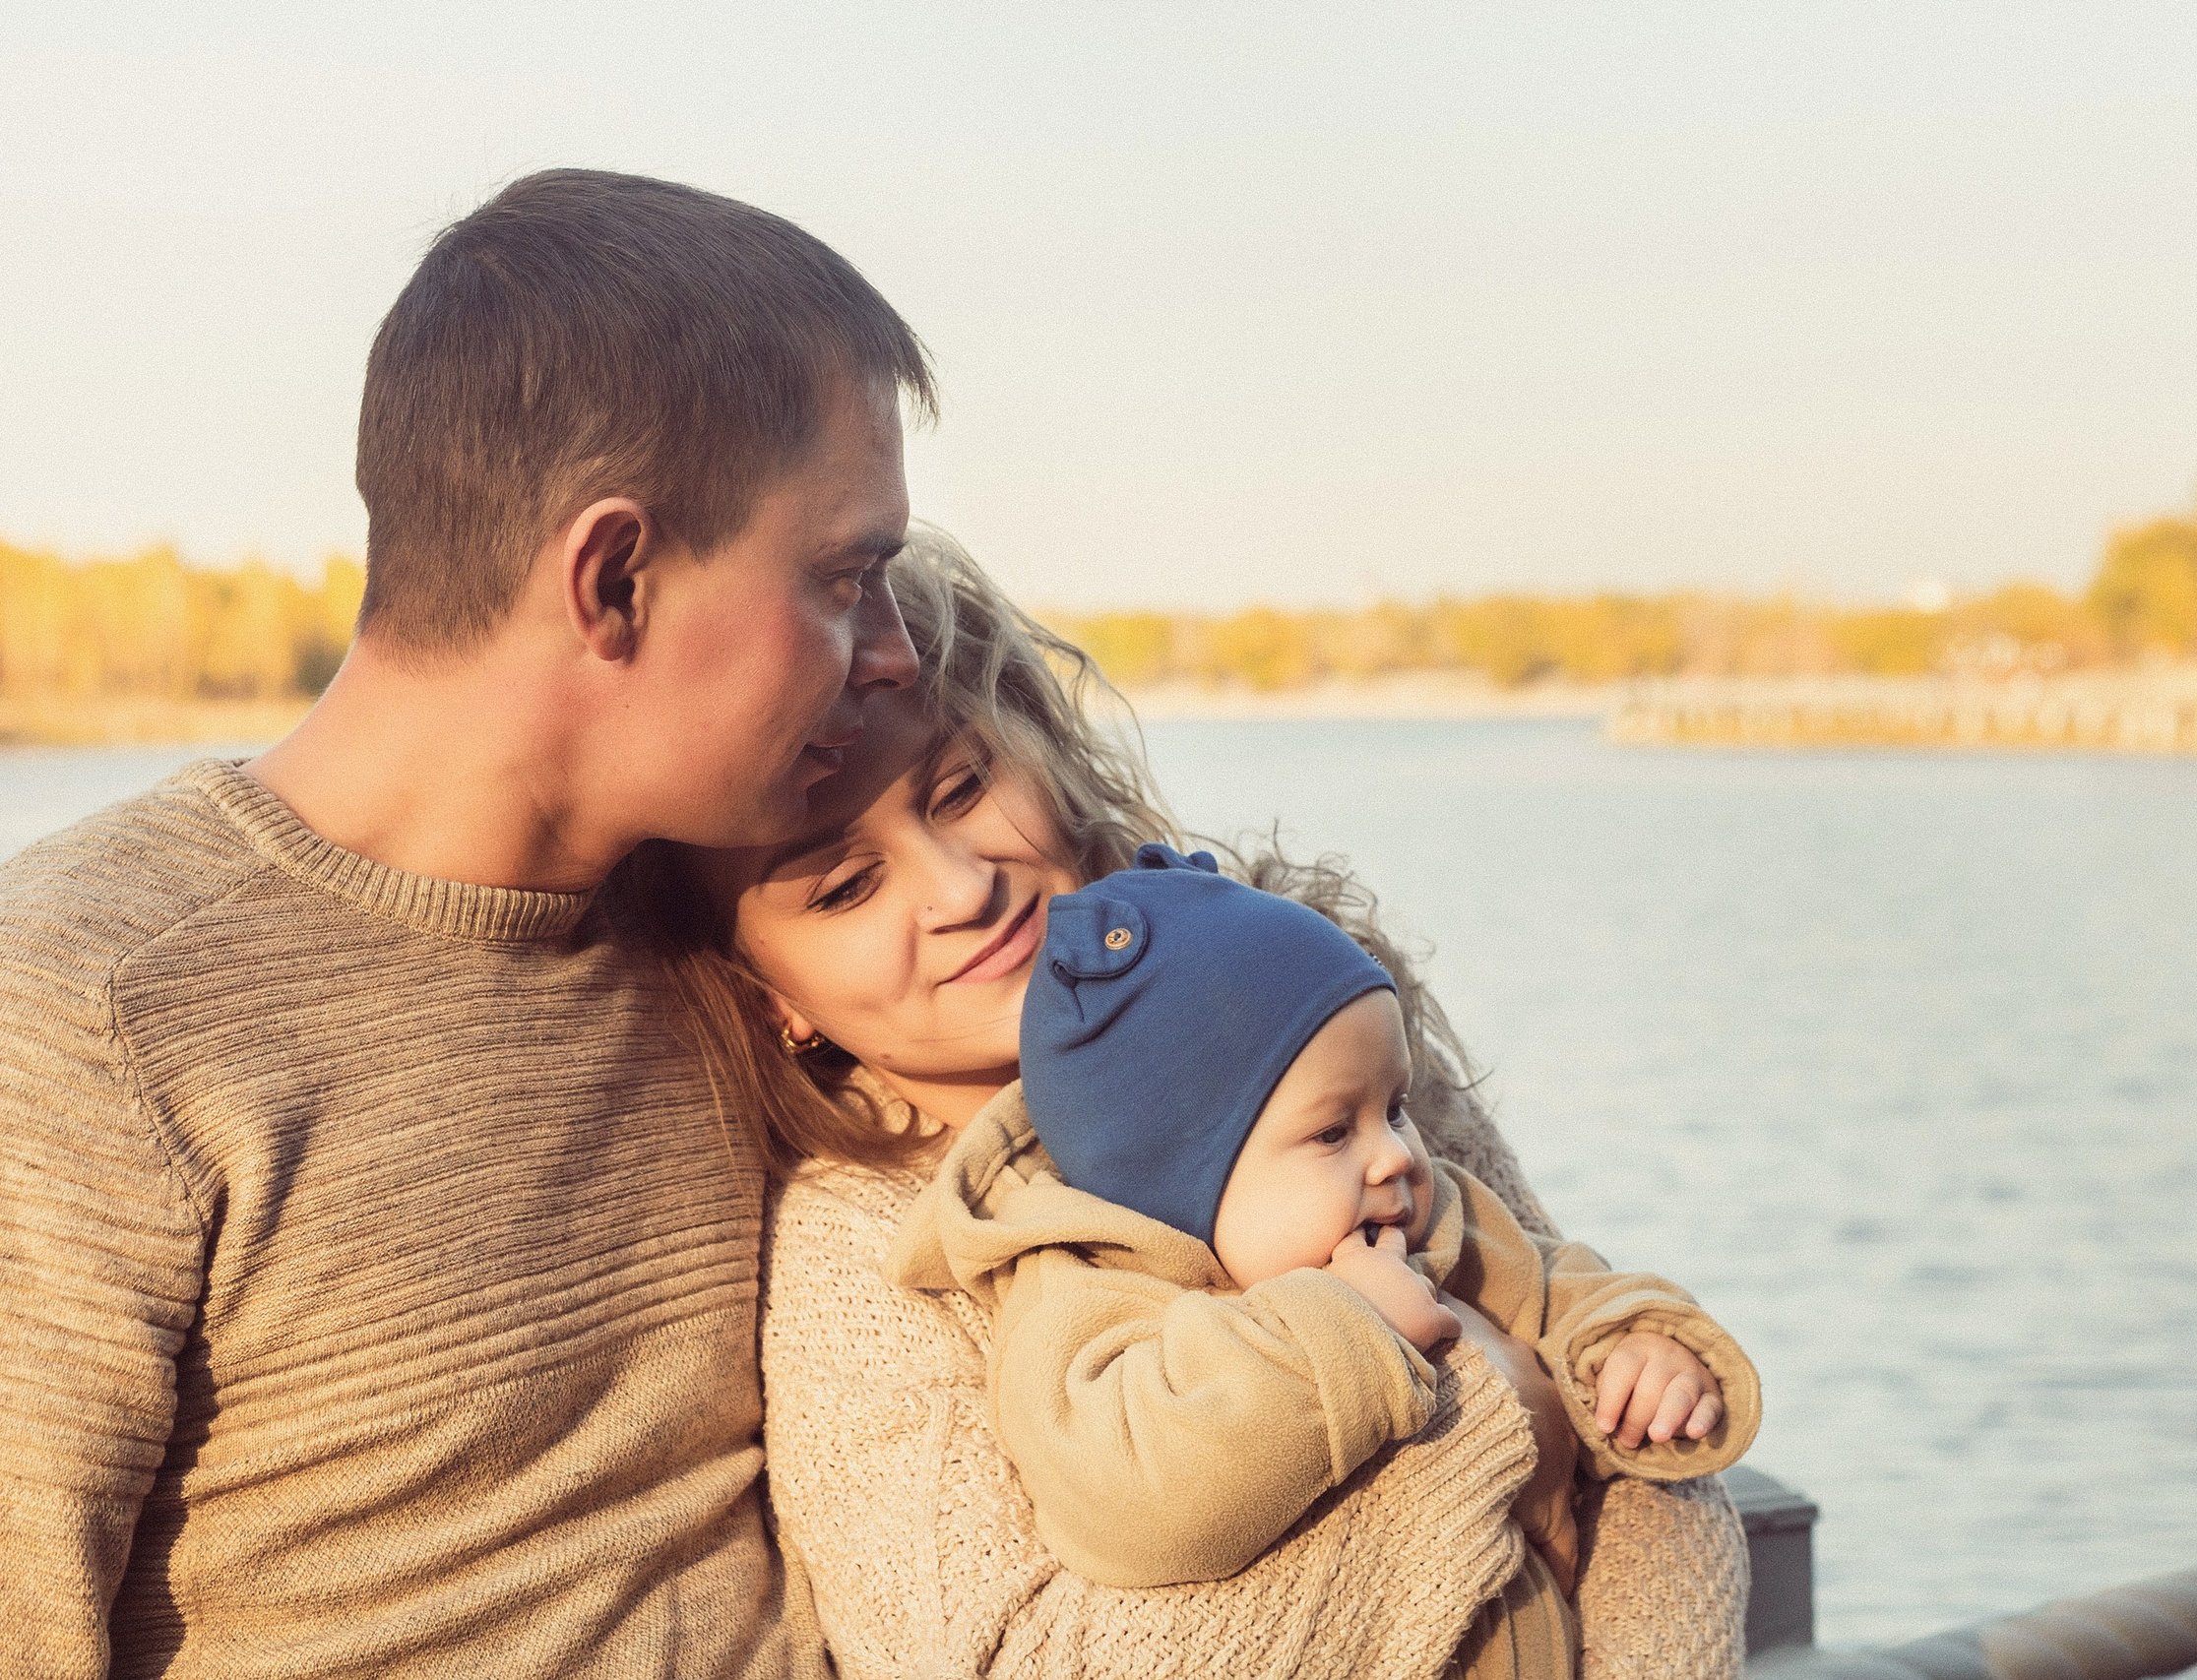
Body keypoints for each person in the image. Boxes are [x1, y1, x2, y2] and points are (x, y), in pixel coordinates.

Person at [0, 169, 927, 1677]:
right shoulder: (88, 1013)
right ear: (613, 577)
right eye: (846, 577)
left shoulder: (746, 922)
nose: (890, 655)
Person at [629, 530, 1754, 1679]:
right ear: (774, 997)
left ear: (1036, 748)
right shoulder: (863, 1265)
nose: (965, 887)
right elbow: (1024, 1665)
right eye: (848, 887)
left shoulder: (1314, 1007)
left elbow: (1649, 1449)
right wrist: (1492, 1409)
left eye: (963, 787)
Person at [891, 843, 1764, 1676]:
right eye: (1333, 1129)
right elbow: (1131, 1494)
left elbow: (1558, 1287)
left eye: (1397, 1106)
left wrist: (1639, 1349)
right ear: (1176, 1176)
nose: (1396, 1156)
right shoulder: (1090, 1300)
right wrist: (1347, 1327)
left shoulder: (1429, 1223)